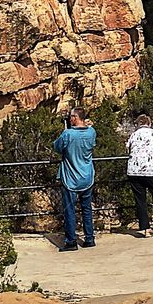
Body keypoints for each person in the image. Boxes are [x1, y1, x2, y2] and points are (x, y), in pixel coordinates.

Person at [53, 108, 97, 252]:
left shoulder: (68, 134)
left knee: (70, 210)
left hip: (71, 178)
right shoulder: (91, 132)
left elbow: (57, 147)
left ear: (74, 118)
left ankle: (71, 241)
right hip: (87, 176)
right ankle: (89, 238)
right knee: (86, 209)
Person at [126, 114, 153, 238]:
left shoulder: (133, 135)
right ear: (149, 123)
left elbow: (128, 150)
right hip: (151, 170)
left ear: (138, 124)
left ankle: (146, 229)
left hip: (134, 171)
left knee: (140, 200)